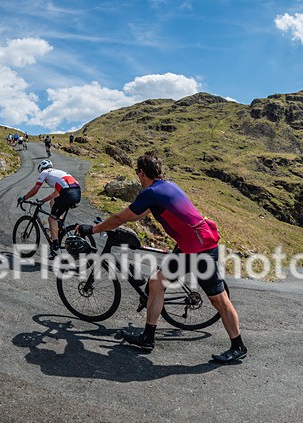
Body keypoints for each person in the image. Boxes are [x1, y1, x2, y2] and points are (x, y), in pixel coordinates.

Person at [75, 152, 247, 364]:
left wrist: (93, 229)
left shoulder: (151, 192)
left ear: (141, 172)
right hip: (190, 244)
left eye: (137, 172)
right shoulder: (166, 186)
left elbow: (121, 217)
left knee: (218, 300)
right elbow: (139, 214)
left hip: (199, 248)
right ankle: (148, 337)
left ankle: (238, 346)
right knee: (156, 282)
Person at [19, 159, 81, 258]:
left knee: (51, 218)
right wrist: (43, 200)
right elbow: (55, 194)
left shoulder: (44, 172)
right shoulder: (58, 173)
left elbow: (35, 190)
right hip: (76, 192)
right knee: (53, 203)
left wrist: (24, 198)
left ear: (41, 169)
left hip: (68, 193)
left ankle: (56, 249)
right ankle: (59, 228)